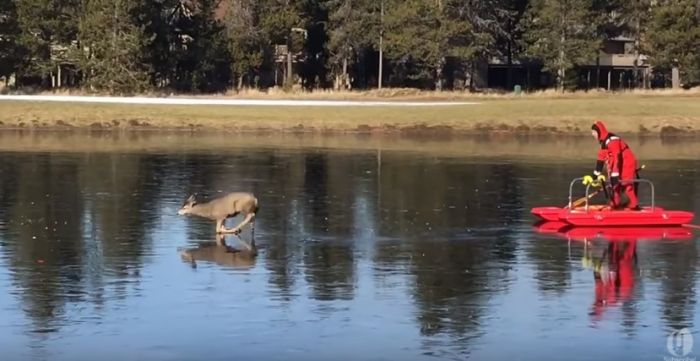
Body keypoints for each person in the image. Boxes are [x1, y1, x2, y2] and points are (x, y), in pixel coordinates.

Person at [590, 120, 640, 210]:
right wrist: (594, 176)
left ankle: (634, 205)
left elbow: (617, 156)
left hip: (626, 163)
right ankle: (615, 204)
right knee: (614, 186)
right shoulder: (603, 143)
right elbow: (600, 160)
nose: (592, 135)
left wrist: (615, 174)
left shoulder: (612, 140)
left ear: (598, 131)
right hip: (617, 164)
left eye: (593, 132)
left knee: (626, 184)